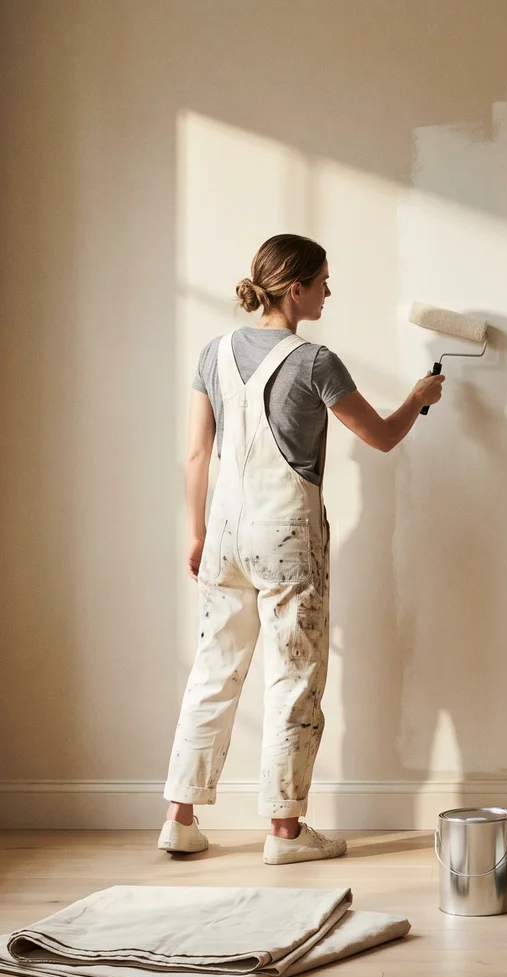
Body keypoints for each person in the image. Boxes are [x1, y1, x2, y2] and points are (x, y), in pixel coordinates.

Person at [158, 234, 444, 862]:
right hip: (286, 535)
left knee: (214, 671)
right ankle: (285, 832)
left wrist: (197, 533)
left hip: (225, 534)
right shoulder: (316, 361)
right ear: (295, 290)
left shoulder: (213, 352)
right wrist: (417, 401)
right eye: (322, 282)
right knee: (293, 678)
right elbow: (382, 438)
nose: (328, 292)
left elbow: (196, 453)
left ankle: (180, 818)